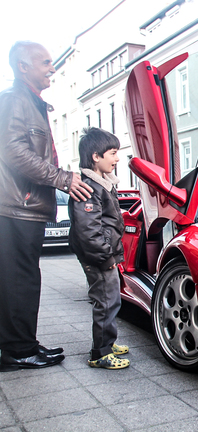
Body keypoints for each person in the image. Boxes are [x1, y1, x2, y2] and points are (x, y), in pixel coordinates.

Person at [0, 41, 92, 371]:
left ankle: (20, 344)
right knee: (20, 281)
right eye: (45, 62)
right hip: (17, 207)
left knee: (20, 280)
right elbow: (14, 152)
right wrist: (63, 179)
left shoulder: (32, 103)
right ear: (23, 67)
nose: (52, 68)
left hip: (23, 207)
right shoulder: (15, 100)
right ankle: (17, 350)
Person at [69, 127, 129, 369]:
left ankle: (108, 341)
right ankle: (100, 353)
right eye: (113, 153)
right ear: (96, 156)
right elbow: (88, 231)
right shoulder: (89, 187)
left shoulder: (102, 184)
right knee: (105, 301)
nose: (117, 159)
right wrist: (106, 256)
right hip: (98, 256)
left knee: (111, 299)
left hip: (104, 254)